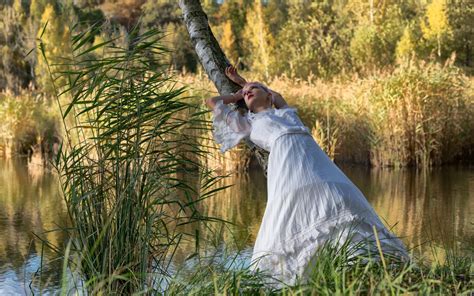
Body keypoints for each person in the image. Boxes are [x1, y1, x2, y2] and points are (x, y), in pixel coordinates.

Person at [205, 66, 409, 287]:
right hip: (286, 162)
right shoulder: (248, 123)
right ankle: (294, 268)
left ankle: (357, 256)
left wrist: (245, 82)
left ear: (270, 96)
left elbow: (277, 96)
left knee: (339, 196)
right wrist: (238, 93)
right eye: (246, 93)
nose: (248, 92)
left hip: (313, 156)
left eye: (255, 89)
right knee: (291, 206)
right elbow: (213, 101)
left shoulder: (286, 112)